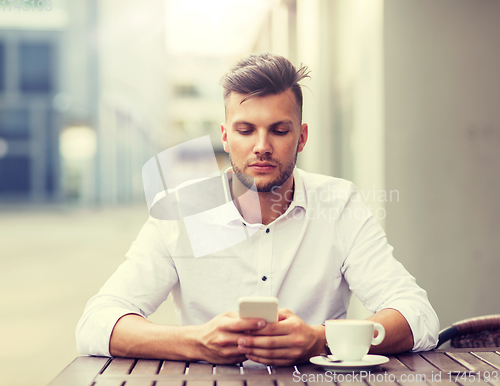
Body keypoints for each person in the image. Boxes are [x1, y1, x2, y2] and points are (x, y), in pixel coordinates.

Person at [76, 53, 439, 366]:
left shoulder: (338, 203)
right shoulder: (182, 209)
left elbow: (418, 316)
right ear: (224, 135)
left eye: (279, 130)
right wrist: (197, 342)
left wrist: (320, 339)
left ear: (302, 137)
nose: (261, 146)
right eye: (246, 130)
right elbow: (96, 323)